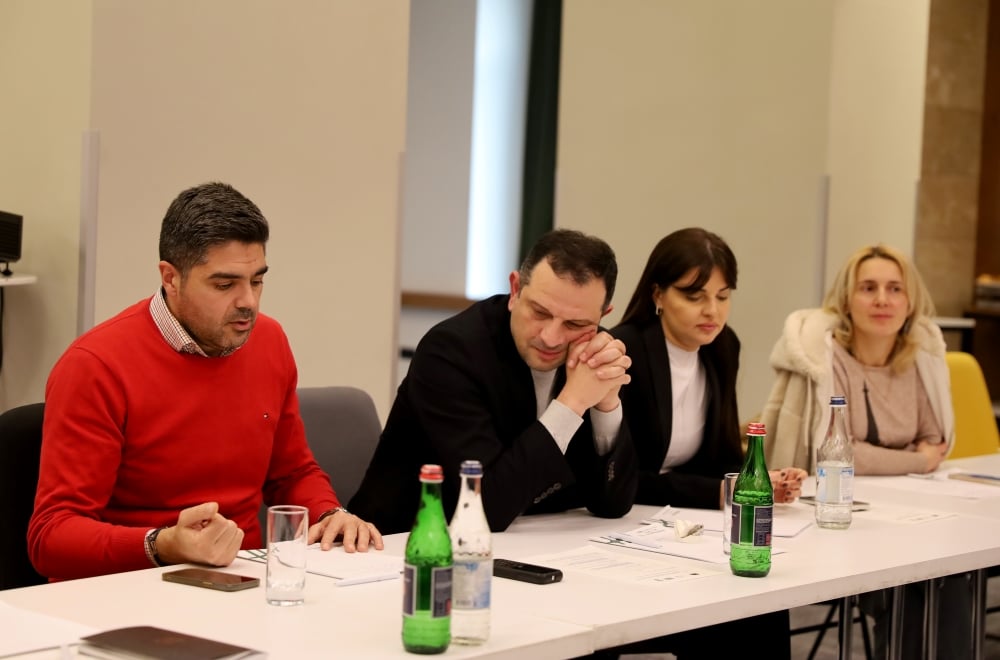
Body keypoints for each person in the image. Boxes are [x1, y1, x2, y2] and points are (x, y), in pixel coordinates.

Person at [28, 182, 383, 582]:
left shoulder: (268, 341)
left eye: (257, 280)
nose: (248, 301)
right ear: (170, 278)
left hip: (242, 582)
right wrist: (162, 544)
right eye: (224, 284)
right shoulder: (96, 366)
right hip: (133, 586)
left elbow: (292, 474)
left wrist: (330, 514)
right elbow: (51, 538)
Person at [349, 228, 637, 534]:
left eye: (575, 324)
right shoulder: (451, 352)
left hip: (530, 544)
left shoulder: (594, 354)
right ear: (515, 290)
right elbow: (486, 508)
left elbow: (612, 504)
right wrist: (573, 404)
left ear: (603, 315)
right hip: (403, 546)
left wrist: (607, 405)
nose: (551, 338)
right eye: (539, 312)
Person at [605, 227, 803, 660]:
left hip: (679, 528)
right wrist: (716, 491)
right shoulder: (626, 351)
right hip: (617, 524)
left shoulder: (722, 347)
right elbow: (622, 478)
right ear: (658, 294)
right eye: (694, 296)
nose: (712, 311)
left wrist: (753, 477)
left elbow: (717, 456)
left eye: (723, 295)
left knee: (762, 602)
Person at [760, 244, 966, 660]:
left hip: (907, 513)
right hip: (837, 519)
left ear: (910, 302)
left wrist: (911, 457)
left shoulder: (918, 360)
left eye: (894, 289)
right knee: (920, 580)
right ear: (846, 301)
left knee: (953, 574)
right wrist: (914, 459)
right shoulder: (828, 358)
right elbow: (835, 454)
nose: (882, 300)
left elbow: (934, 439)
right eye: (868, 288)